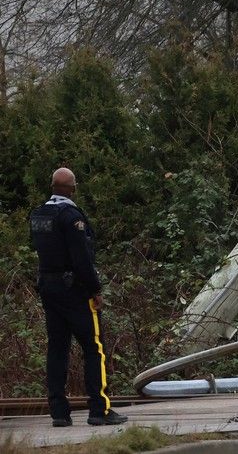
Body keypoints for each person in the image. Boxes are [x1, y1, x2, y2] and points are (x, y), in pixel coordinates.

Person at [29, 168, 128, 427]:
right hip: (75, 291)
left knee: (57, 349)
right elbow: (82, 259)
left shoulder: (38, 215)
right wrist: (95, 290)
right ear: (73, 189)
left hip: (49, 290)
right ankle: (100, 410)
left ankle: (59, 413)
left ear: (51, 186)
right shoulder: (72, 217)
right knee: (94, 349)